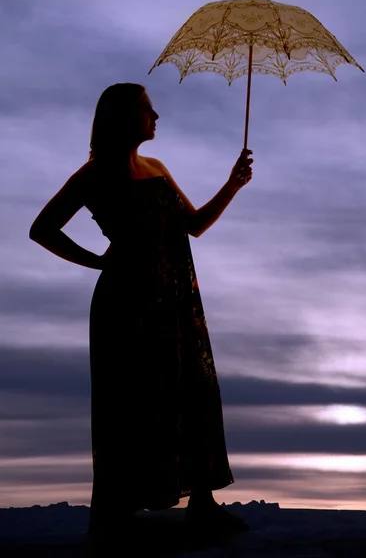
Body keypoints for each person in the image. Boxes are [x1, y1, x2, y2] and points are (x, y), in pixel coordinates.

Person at [29, 82, 254, 541]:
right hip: (126, 305)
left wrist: (232, 184)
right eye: (147, 110)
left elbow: (193, 226)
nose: (156, 117)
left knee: (194, 393)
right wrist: (98, 260)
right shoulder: (93, 175)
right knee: (131, 403)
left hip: (177, 301)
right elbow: (42, 229)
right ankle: (118, 512)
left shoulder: (156, 168)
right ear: (122, 118)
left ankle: (203, 503)